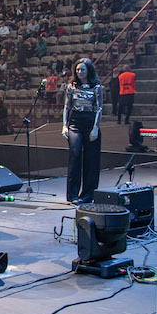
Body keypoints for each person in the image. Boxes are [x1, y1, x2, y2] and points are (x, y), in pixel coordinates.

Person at [62, 58, 103, 204]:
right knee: (75, 155)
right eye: (78, 70)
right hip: (75, 123)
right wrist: (64, 126)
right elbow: (67, 107)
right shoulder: (71, 86)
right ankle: (72, 194)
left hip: (90, 123)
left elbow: (99, 108)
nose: (80, 72)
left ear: (88, 71)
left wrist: (95, 128)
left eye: (82, 70)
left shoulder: (96, 87)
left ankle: (87, 194)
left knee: (91, 160)